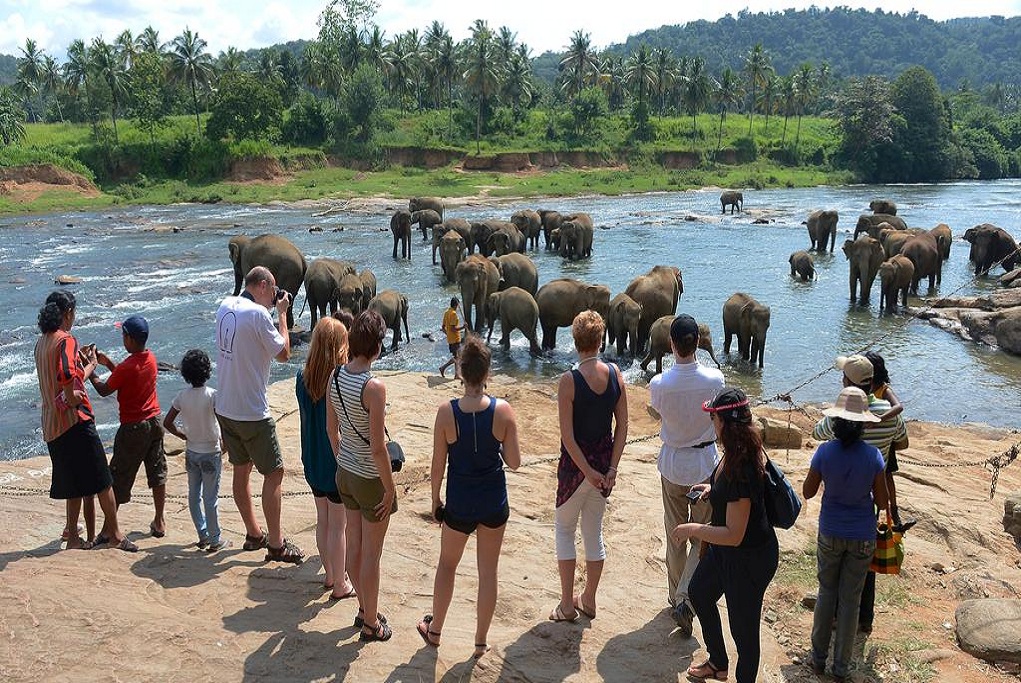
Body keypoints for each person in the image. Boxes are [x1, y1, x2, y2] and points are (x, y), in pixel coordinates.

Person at [418, 336, 521, 659]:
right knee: (487, 572)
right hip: (493, 500)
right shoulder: (502, 410)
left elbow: (438, 465)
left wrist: (435, 500)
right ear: (488, 372)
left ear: (461, 372)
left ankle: (435, 631)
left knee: (447, 565)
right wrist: (500, 445)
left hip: (460, 501)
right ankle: (479, 642)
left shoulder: (446, 412)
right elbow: (515, 462)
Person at [674, 388, 779, 683]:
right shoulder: (735, 451)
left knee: (744, 634)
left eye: (714, 418)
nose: (712, 424)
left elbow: (734, 534)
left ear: (725, 423)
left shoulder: (742, 465)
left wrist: (692, 529)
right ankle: (718, 663)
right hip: (727, 552)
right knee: (699, 593)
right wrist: (711, 490)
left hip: (749, 559)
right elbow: (729, 495)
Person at [34, 291, 135, 552]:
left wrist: (83, 367)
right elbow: (68, 375)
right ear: (68, 313)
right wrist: (86, 372)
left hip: (52, 423)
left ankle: (74, 539)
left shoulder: (41, 343)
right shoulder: (65, 340)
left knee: (73, 483)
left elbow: (58, 375)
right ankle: (114, 534)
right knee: (102, 480)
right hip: (74, 420)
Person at [215, 265, 304, 563]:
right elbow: (283, 353)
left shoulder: (225, 305)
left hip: (225, 406)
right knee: (274, 473)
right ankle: (276, 544)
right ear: (263, 285)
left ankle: (254, 533)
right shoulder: (258, 315)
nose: (274, 296)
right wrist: (281, 313)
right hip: (252, 411)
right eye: (274, 289)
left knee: (242, 469)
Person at [814, 354, 908, 635]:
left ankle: (834, 618)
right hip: (871, 495)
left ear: (847, 383)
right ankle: (864, 618)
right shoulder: (888, 414)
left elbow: (819, 432)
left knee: (834, 565)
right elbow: (902, 443)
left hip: (840, 494)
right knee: (864, 560)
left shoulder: (842, 416)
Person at [804, 386, 889, 682]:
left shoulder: (825, 451)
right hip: (862, 535)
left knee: (827, 592)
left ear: (836, 422)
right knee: (850, 601)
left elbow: (808, 491)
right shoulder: (873, 456)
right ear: (864, 423)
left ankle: (817, 659)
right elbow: (881, 500)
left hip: (830, 530)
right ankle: (841, 668)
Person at [549, 311, 628, 623]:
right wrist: (610, 470)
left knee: (565, 531)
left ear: (575, 341)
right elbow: (623, 426)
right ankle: (589, 600)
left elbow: (567, 438)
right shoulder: (616, 374)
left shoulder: (569, 381)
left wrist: (586, 471)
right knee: (593, 533)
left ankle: (567, 605)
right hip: (603, 467)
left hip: (574, 470)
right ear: (601, 340)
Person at [649, 314, 725, 637]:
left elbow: (658, 411)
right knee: (702, 536)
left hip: (673, 465)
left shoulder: (659, 384)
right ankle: (686, 598)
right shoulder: (715, 380)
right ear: (698, 343)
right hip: (705, 465)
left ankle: (675, 596)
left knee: (675, 533)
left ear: (671, 345)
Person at [327, 310, 396, 642]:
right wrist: (389, 488)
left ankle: (363, 608)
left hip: (346, 474)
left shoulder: (335, 376)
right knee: (373, 554)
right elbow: (379, 448)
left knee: (354, 547)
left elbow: (332, 430)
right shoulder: (374, 387)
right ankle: (371, 622)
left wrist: (344, 460)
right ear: (377, 346)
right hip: (370, 478)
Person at [86, 315, 167, 538]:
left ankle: (107, 530)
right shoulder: (150, 358)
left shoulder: (127, 367)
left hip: (133, 427)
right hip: (154, 421)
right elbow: (127, 375)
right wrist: (109, 362)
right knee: (157, 471)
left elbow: (104, 389)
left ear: (130, 340)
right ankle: (159, 521)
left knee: (119, 477)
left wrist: (91, 369)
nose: (122, 338)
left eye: (123, 335)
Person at [297, 316, 355, 598]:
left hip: (312, 459)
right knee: (339, 526)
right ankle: (341, 583)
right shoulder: (340, 381)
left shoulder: (302, 377)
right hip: (335, 460)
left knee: (323, 520)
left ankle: (330, 576)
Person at [163, 349, 229, 552]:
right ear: (207, 371)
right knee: (211, 498)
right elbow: (222, 422)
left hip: (192, 451)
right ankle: (215, 538)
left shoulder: (182, 396)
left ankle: (202, 534)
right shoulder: (212, 395)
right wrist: (225, 443)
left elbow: (167, 422)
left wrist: (182, 434)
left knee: (194, 495)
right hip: (211, 451)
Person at [862, 351, 914, 532]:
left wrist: (880, 419)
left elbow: (898, 406)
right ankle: (883, 513)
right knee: (880, 476)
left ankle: (893, 509)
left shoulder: (883, 389)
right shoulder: (866, 387)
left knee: (887, 475)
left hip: (884, 438)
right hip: (876, 436)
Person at [439, 297, 464, 379]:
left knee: (457, 356)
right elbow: (453, 328)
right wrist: (463, 327)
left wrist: (448, 334)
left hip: (450, 339)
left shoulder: (446, 312)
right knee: (458, 357)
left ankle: (457, 375)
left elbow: (443, 327)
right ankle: (443, 367)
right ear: (456, 305)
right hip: (455, 339)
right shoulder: (453, 314)